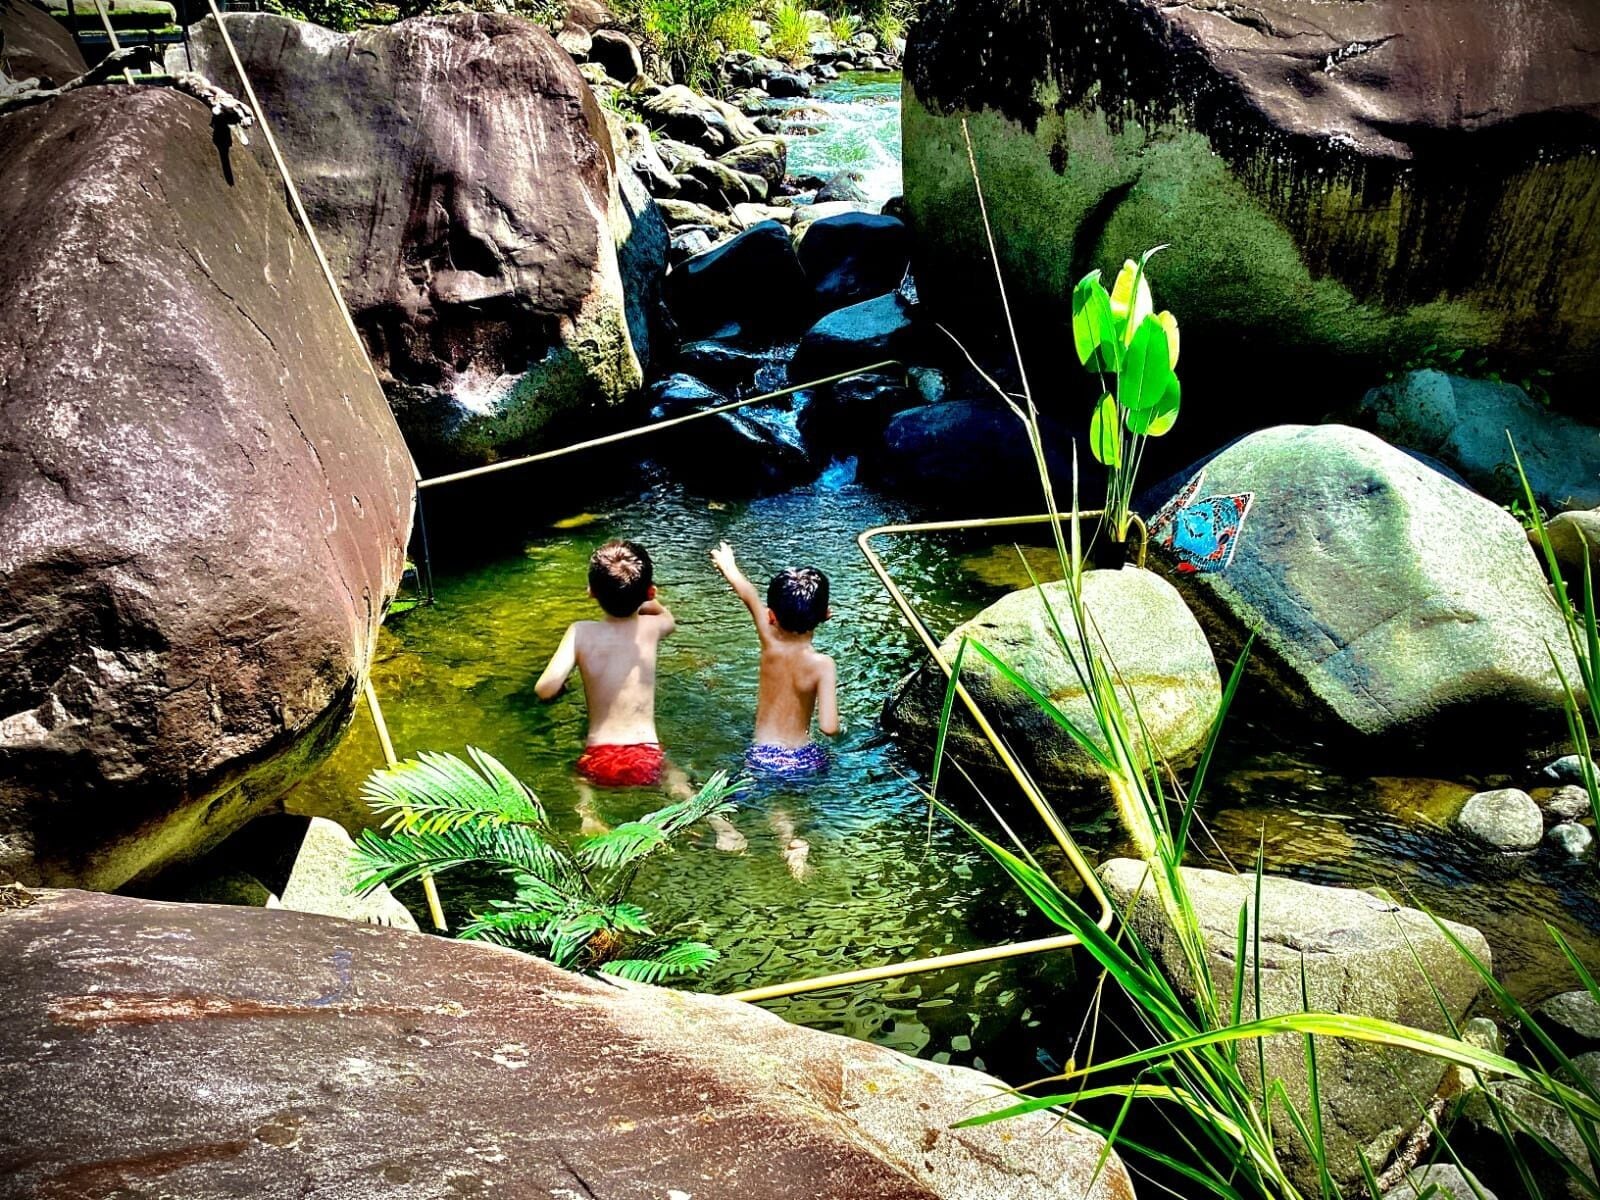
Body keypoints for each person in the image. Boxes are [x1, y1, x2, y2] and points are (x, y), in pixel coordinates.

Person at [535, 539, 676, 789]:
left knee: (580, 783)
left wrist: (561, 687)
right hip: (646, 755)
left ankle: (587, 814)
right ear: (650, 592)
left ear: (591, 591)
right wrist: (646, 597)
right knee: (676, 780)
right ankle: (715, 821)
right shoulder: (652, 628)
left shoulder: (580, 632)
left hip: (599, 756)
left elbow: (545, 688)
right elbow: (668, 618)